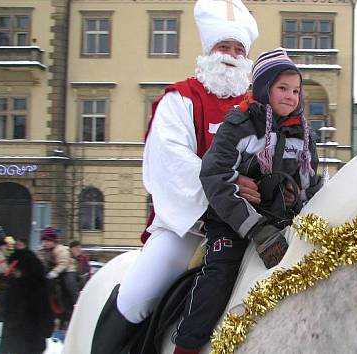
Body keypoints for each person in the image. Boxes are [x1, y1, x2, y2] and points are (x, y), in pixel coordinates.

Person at [90, 1, 259, 353]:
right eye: (223, 47)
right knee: (137, 296)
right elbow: (170, 163)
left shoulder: (260, 107)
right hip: (189, 227)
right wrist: (228, 187)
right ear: (208, 51)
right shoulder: (181, 99)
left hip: (251, 225)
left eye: (238, 49)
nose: (230, 55)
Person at [171, 48, 321, 354]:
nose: (291, 96)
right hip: (231, 221)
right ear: (264, 88)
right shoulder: (238, 125)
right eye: (282, 88)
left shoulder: (303, 135)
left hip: (279, 221)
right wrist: (256, 229)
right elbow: (215, 177)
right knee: (221, 273)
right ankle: (186, 346)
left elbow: (308, 185)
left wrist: (297, 199)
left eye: (296, 90)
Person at [0, 247, 54, 354]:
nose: (14, 272)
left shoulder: (19, 285)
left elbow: (44, 310)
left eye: (15, 270)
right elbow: (46, 310)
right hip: (26, 337)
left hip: (22, 337)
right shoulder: (39, 284)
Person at [38, 226, 79, 330]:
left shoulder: (61, 250)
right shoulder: (44, 251)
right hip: (54, 271)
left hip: (67, 270)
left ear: (53, 241)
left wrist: (54, 273)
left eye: (47, 241)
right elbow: (41, 261)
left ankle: (77, 302)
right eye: (44, 241)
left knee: (69, 283)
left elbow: (63, 263)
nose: (45, 243)